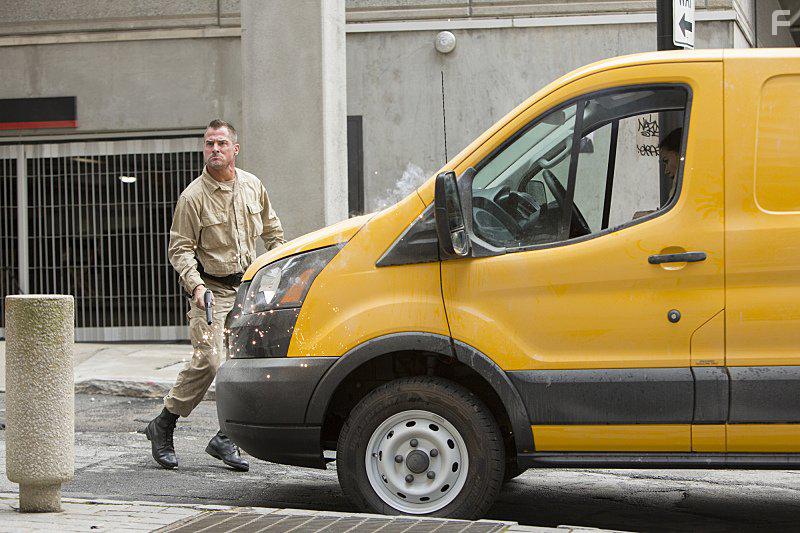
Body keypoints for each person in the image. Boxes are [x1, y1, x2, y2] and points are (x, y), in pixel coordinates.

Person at [144, 119, 285, 471]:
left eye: (221, 143)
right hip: (211, 292)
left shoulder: (253, 185)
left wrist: (275, 275)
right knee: (208, 360)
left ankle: (225, 437)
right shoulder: (192, 197)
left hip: (249, 290)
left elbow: (273, 233)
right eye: (209, 143)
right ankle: (163, 424)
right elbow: (180, 249)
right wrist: (196, 286)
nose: (215, 149)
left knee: (252, 364)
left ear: (235, 149)